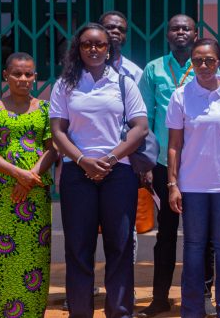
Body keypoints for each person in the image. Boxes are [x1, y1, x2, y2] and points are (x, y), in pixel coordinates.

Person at [49, 23, 149, 318]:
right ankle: (80, 312)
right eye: (86, 44)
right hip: (77, 174)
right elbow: (58, 131)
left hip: (118, 174)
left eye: (100, 44)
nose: (93, 49)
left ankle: (119, 312)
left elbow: (140, 128)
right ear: (77, 49)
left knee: (120, 247)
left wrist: (110, 159)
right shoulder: (64, 85)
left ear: (109, 49)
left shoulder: (123, 83)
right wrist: (83, 161)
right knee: (78, 248)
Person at [164, 38, 220, 318]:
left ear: (219, 62)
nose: (203, 65)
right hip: (192, 187)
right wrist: (172, 184)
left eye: (209, 60)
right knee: (193, 249)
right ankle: (191, 311)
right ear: (192, 63)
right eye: (198, 61)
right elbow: (174, 144)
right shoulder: (181, 96)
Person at [0, 52, 56, 318]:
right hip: (4, 195)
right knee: (3, 260)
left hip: (35, 194)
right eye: (17, 74)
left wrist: (30, 178)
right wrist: (19, 174)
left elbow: (52, 149)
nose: (23, 79)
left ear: (35, 77)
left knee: (35, 257)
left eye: (28, 74)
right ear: (6, 76)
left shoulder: (45, 110)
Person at [136, 14, 212, 317]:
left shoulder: (205, 66)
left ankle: (203, 295)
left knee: (202, 235)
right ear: (167, 34)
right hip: (162, 165)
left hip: (200, 164)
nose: (180, 32)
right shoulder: (153, 69)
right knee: (165, 234)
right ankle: (160, 298)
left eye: (186, 28)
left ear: (195, 33)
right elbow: (143, 118)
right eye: (175, 28)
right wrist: (145, 162)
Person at [100, 11, 143, 83]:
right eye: (110, 27)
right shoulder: (84, 66)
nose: (116, 31)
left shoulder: (134, 73)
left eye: (121, 30)